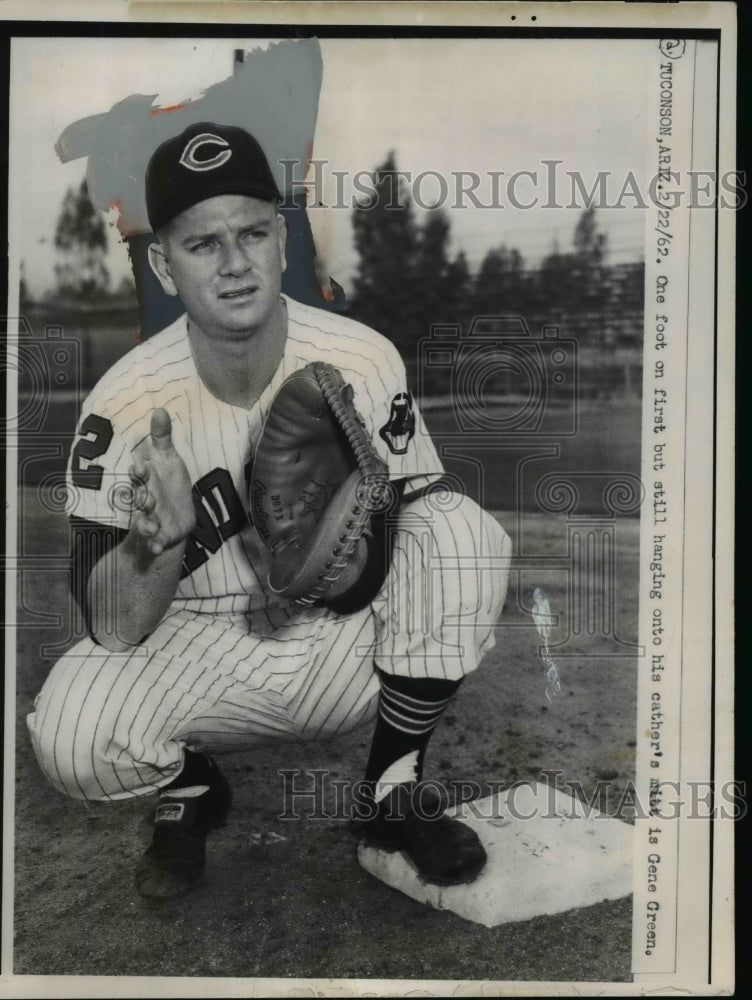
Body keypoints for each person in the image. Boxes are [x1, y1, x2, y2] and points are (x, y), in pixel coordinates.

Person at [27, 122, 511, 900]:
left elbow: (408, 544)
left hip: (336, 644)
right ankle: (189, 786)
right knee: (70, 736)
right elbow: (114, 627)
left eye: (253, 232)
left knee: (458, 529)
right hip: (193, 649)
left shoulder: (360, 357)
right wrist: (154, 547)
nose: (234, 262)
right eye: (201, 243)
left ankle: (390, 790)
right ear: (162, 262)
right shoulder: (122, 404)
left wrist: (321, 574)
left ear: (283, 241)